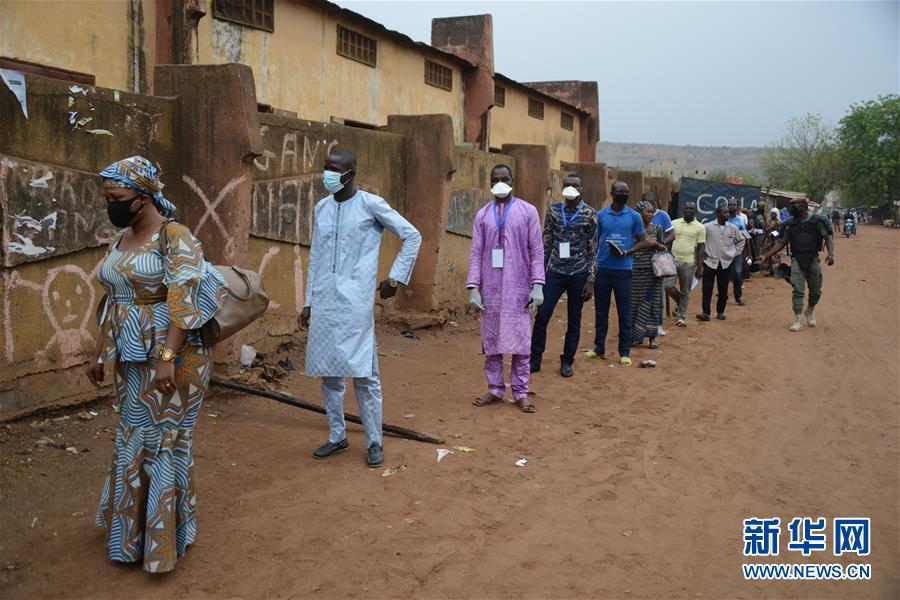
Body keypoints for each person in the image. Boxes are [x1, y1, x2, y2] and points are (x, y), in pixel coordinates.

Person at [88, 156, 227, 573]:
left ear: (143, 198)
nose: (111, 205)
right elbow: (113, 299)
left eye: (118, 198)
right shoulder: (122, 239)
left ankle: (163, 541)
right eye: (108, 198)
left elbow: (183, 299)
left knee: (164, 438)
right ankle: (129, 536)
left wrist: (166, 357)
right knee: (133, 434)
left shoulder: (175, 236)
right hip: (128, 355)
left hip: (175, 357)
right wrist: (99, 350)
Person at [300, 149, 421, 468]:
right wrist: (308, 302)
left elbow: (412, 236)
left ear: (350, 174)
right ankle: (336, 435)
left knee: (365, 375)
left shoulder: (371, 205)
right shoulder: (322, 208)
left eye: (334, 169)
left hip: (356, 303)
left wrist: (395, 278)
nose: (327, 174)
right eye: (325, 168)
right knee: (329, 373)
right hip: (325, 302)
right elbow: (316, 256)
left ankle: (374, 441)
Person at [468, 164, 545, 412]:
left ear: (513, 181)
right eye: (495, 179)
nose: (500, 183)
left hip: (519, 287)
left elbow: (537, 249)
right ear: (490, 183)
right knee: (491, 340)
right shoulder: (482, 215)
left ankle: (521, 392)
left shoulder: (527, 211)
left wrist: (538, 285)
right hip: (490, 288)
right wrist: (473, 287)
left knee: (521, 342)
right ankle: (495, 389)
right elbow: (476, 252)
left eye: (505, 178)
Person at [530, 174, 598, 377]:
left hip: (579, 273)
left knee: (574, 320)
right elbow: (546, 243)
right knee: (542, 315)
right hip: (555, 272)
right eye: (567, 185)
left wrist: (591, 280)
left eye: (575, 185)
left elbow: (594, 249)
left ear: (581, 188)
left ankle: (567, 361)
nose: (570, 188)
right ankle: (535, 359)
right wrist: (538, 277)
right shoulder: (553, 211)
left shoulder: (590, 214)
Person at [584, 181, 652, 366]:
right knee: (601, 311)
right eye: (620, 191)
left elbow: (643, 241)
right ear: (612, 193)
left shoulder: (634, 216)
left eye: (627, 191)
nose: (624, 194)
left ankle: (624, 352)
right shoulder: (601, 215)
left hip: (624, 270)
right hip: (603, 270)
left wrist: (626, 252)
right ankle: (599, 348)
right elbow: (594, 243)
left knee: (624, 312)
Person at [757, 197, 834, 331]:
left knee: (815, 290)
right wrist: (766, 256)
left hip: (813, 258)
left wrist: (831, 254)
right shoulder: (790, 224)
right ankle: (797, 319)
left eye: (796, 206)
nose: (793, 209)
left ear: (804, 206)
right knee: (798, 289)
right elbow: (782, 242)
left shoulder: (817, 221)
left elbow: (828, 237)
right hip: (797, 258)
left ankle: (809, 311)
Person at [630, 200, 667, 348]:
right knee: (634, 304)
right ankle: (636, 336)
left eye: (652, 212)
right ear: (639, 214)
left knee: (653, 304)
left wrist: (656, 244)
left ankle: (652, 338)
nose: (650, 215)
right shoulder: (632, 230)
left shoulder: (657, 228)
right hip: (636, 271)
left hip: (654, 273)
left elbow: (664, 248)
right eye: (648, 212)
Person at [697, 204, 741, 321]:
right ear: (717, 214)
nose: (727, 214)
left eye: (728, 212)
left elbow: (741, 240)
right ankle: (706, 313)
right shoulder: (707, 227)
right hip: (710, 262)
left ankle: (720, 312)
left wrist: (733, 253)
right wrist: (703, 251)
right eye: (724, 213)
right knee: (707, 289)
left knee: (723, 289)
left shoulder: (732, 228)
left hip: (725, 263)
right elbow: (700, 240)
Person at [666, 201, 706, 327]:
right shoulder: (674, 223)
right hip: (672, 260)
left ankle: (681, 317)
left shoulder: (700, 227)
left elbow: (700, 248)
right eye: (687, 208)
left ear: (695, 211)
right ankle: (680, 302)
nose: (689, 210)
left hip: (688, 263)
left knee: (685, 291)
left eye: (692, 209)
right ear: (683, 210)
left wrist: (700, 266)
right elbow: (668, 241)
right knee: (667, 286)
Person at [641, 191, 675, 337]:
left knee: (658, 292)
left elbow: (672, 234)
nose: (651, 206)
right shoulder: (637, 216)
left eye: (653, 203)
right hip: (640, 259)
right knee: (639, 293)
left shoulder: (663, 215)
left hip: (658, 259)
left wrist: (660, 243)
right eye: (647, 203)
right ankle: (639, 324)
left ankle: (658, 324)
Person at [727, 199, 749, 305]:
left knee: (737, 272)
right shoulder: (723, 219)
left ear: (737, 206)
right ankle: (723, 294)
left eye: (734, 205)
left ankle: (738, 296)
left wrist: (748, 252)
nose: (732, 206)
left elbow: (745, 235)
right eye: (730, 205)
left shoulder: (740, 220)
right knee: (724, 273)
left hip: (737, 250)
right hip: (724, 251)